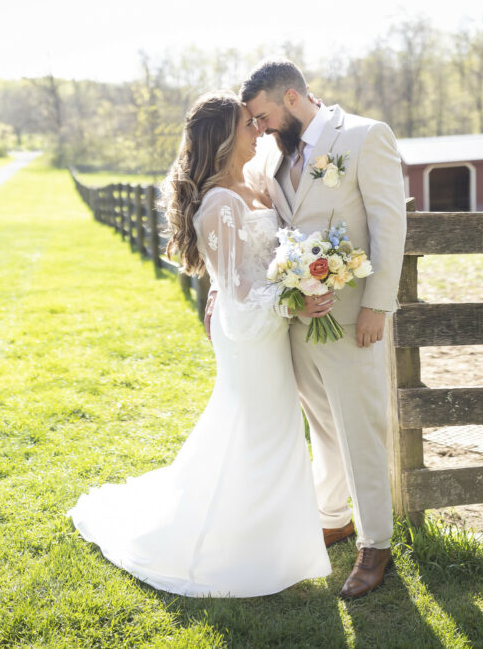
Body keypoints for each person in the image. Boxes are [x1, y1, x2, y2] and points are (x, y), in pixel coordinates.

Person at [67, 91, 332, 597]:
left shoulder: (254, 180)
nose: (259, 130)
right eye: (248, 125)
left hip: (269, 327)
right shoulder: (218, 204)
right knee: (261, 429)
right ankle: (235, 547)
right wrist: (294, 301)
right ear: (224, 137)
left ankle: (274, 541)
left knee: (273, 429)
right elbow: (237, 291)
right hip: (251, 333)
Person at [240, 58, 407, 599]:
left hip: (355, 318)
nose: (259, 128)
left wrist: (377, 308)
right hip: (300, 323)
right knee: (324, 429)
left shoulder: (363, 137)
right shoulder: (270, 155)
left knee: (360, 429)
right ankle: (335, 517)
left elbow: (388, 224)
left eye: (262, 115)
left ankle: (376, 544)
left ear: (291, 98)